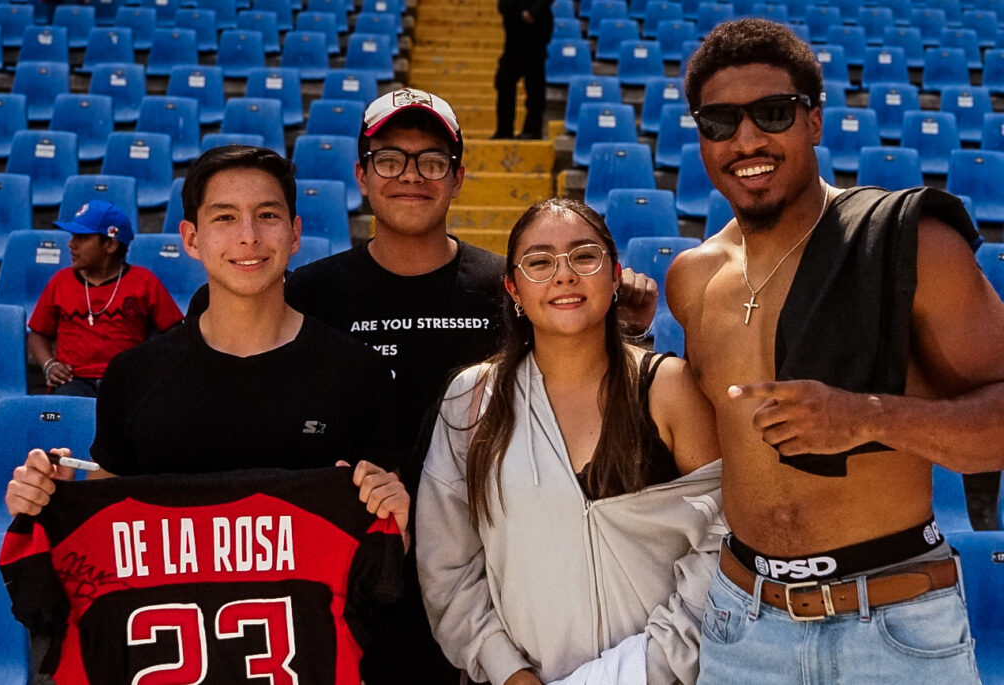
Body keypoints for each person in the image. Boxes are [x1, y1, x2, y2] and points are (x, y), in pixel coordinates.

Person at [666, 18, 1004, 683]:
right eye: (720, 122)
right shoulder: (691, 279)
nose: (747, 140)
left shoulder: (909, 244)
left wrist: (868, 416)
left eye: (773, 113)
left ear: (814, 121)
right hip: (742, 624)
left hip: (894, 625)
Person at [285, 88, 659, 685]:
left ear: (458, 178)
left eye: (432, 161)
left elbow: (576, 384)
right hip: (346, 572)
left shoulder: (508, 288)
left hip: (484, 586)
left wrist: (622, 329)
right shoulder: (307, 296)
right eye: (389, 159)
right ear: (361, 176)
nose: (411, 175)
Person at [6, 145, 409, 542]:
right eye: (225, 217)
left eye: (268, 215)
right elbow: (103, 530)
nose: (248, 236)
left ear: (295, 233)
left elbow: (389, 545)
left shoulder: (358, 374)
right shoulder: (132, 377)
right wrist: (54, 503)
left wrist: (398, 522)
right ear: (192, 238)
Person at [417, 198, 724, 685]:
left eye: (584, 256)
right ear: (514, 289)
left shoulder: (669, 389)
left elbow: (722, 545)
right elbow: (446, 568)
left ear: (615, 275)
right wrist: (509, 672)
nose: (564, 275)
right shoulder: (471, 400)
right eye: (539, 262)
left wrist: (640, 670)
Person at [28, 200, 183, 397]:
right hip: (73, 379)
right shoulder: (60, 281)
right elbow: (37, 334)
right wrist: (49, 365)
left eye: (82, 237)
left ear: (111, 244)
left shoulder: (144, 281)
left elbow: (175, 331)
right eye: (73, 236)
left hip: (126, 378)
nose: (71, 244)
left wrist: (151, 366)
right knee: (67, 408)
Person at [491, 0, 553, 139]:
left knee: (534, 86)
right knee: (504, 81)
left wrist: (533, 12)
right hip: (513, 33)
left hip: (535, 32)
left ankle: (532, 130)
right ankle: (504, 130)